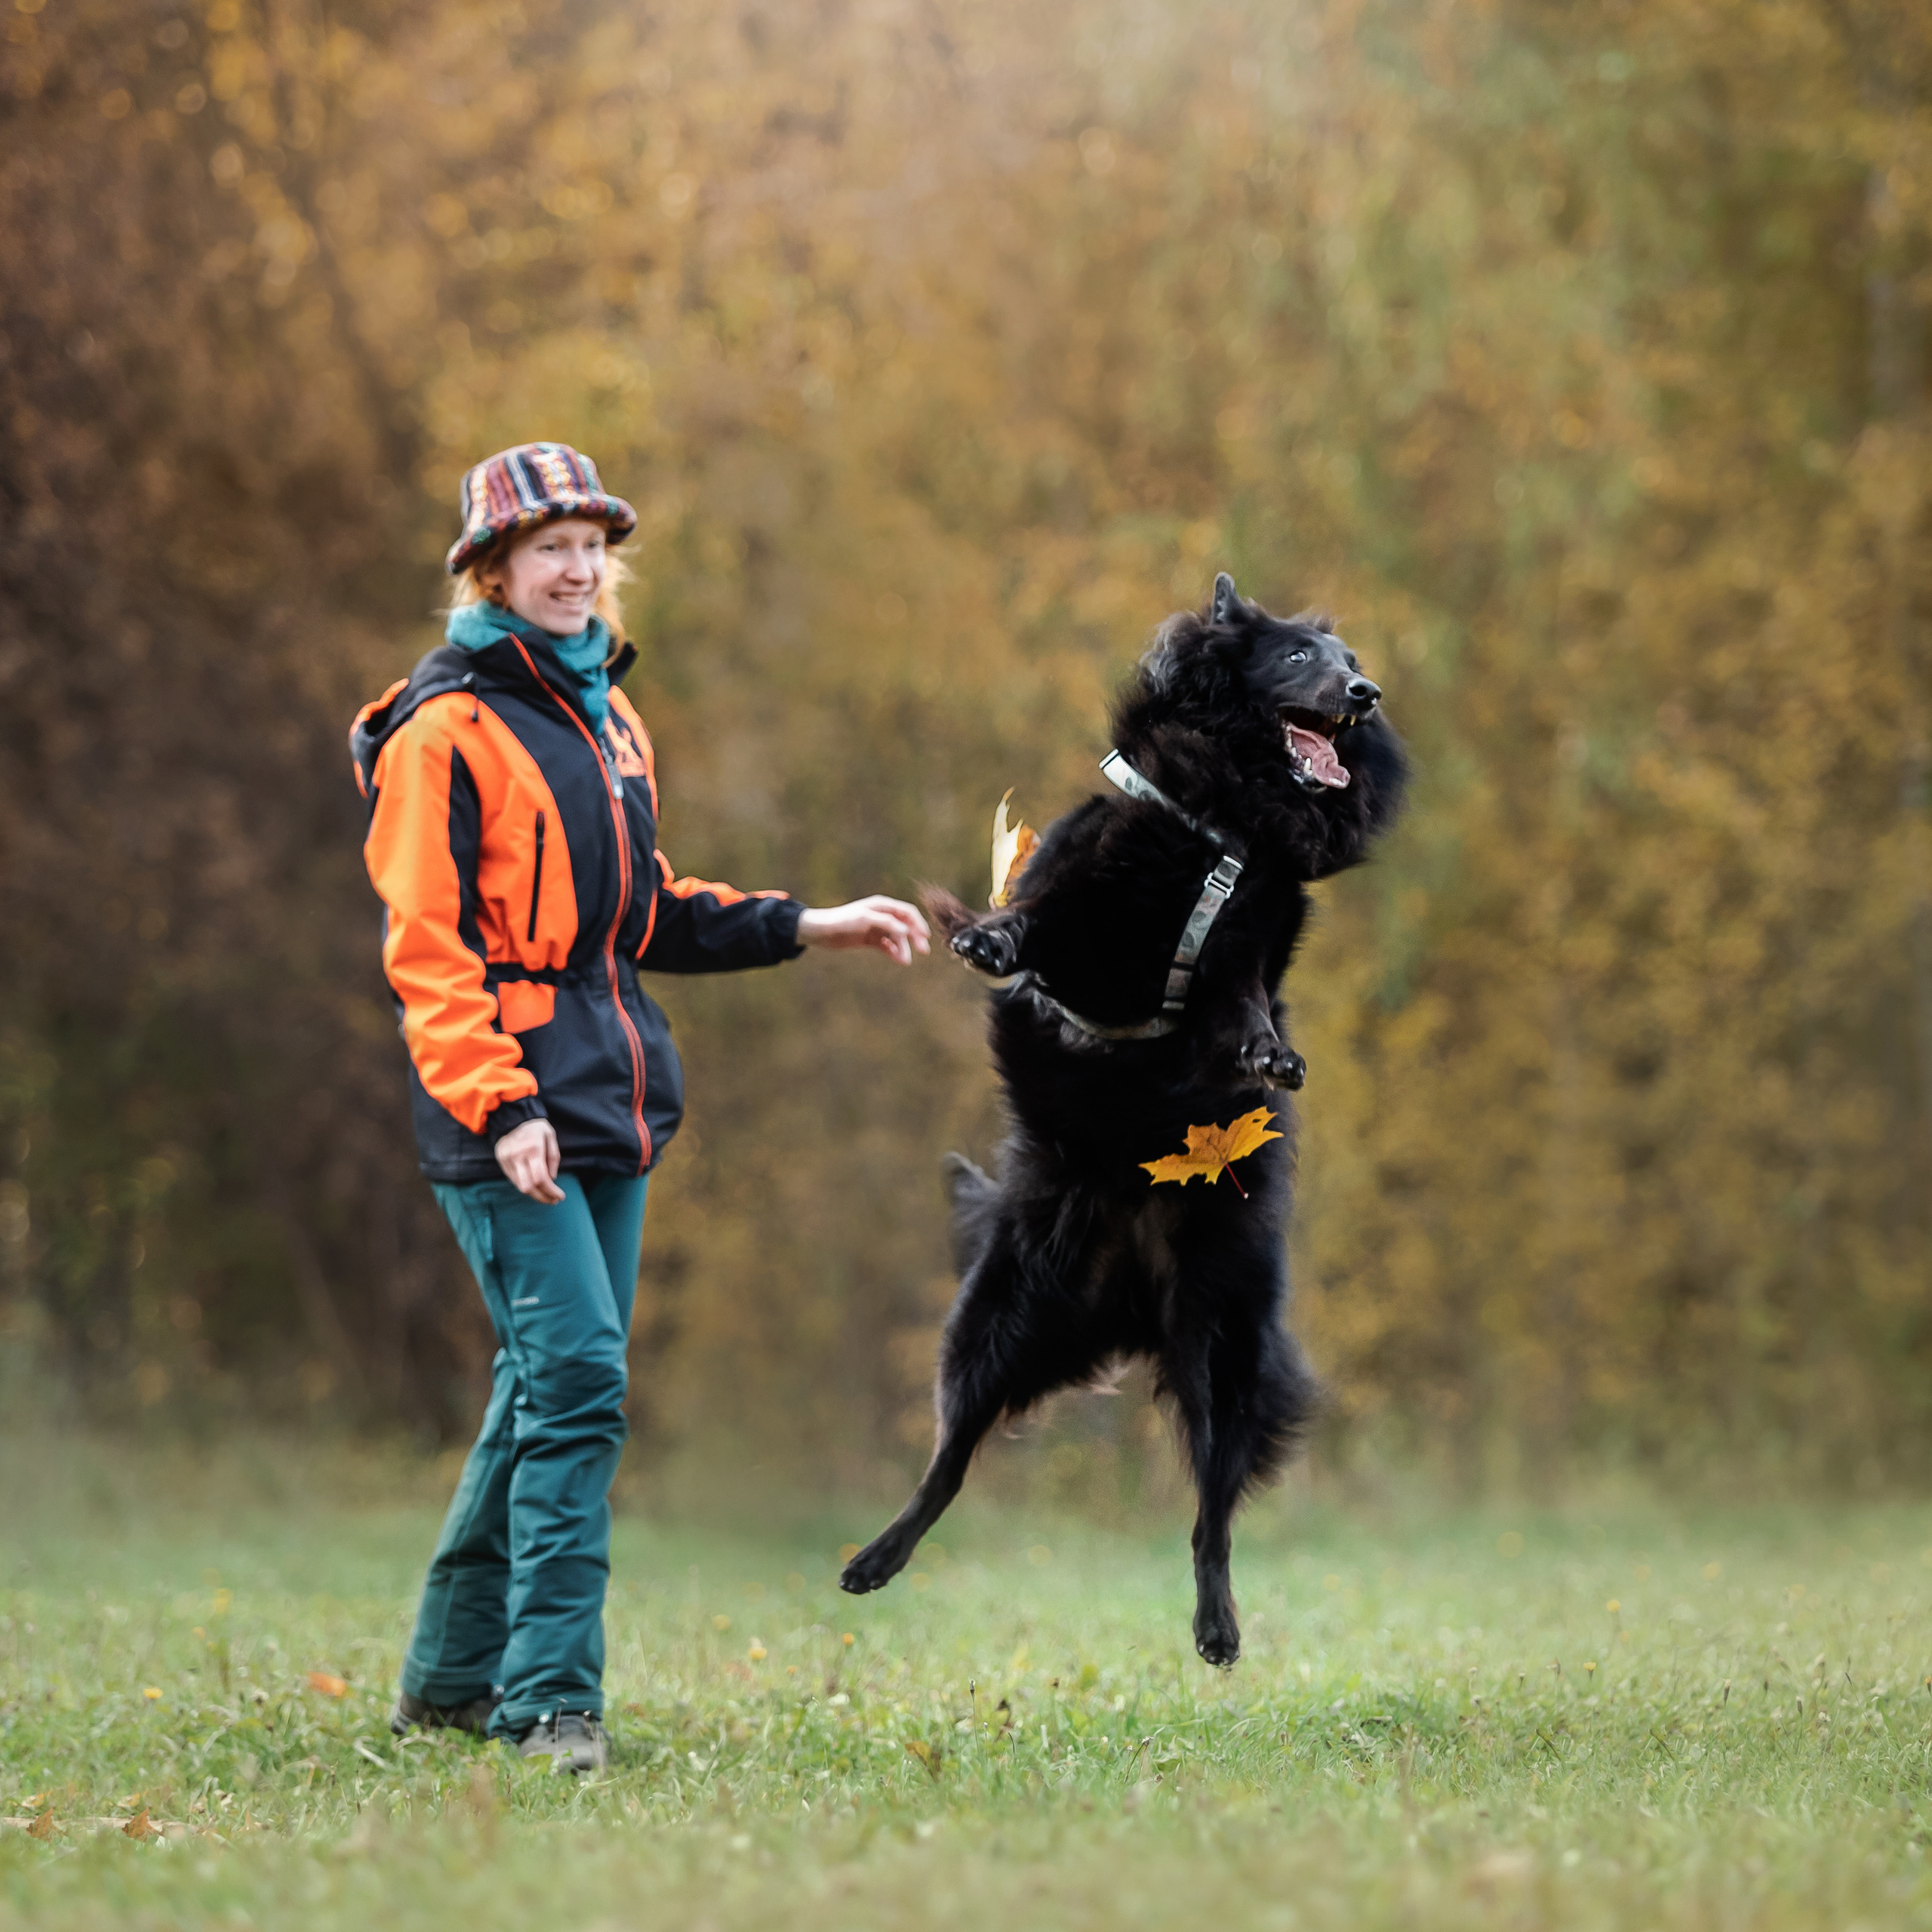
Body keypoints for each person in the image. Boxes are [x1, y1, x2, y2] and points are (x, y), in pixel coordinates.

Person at [349, 441, 928, 1773]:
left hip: (612, 1107)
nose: (575, 567)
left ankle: (441, 1686)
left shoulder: (610, 718)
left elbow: (645, 911)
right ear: (491, 570)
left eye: (590, 545)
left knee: (545, 1388)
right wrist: (503, 1108)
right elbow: (427, 955)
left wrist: (812, 925)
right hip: (506, 1114)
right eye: (546, 547)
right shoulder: (444, 730)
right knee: (579, 1386)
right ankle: (550, 1698)